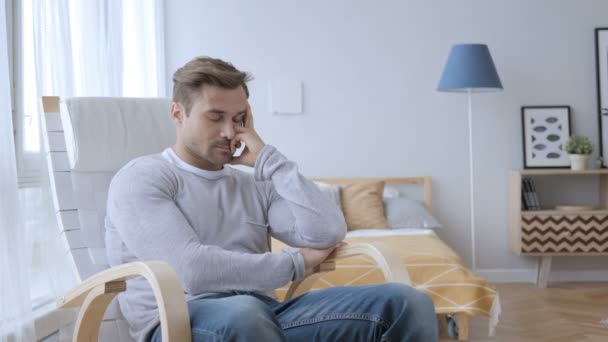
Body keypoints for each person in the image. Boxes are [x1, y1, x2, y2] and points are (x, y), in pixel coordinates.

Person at [105, 56, 438, 342]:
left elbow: (328, 232)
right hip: (179, 322)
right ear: (178, 114)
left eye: (239, 119)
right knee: (245, 312)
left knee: (407, 302)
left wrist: (269, 160)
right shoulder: (142, 178)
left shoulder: (254, 184)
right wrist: (296, 263)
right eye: (215, 116)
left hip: (263, 316)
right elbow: (192, 270)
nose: (229, 132)